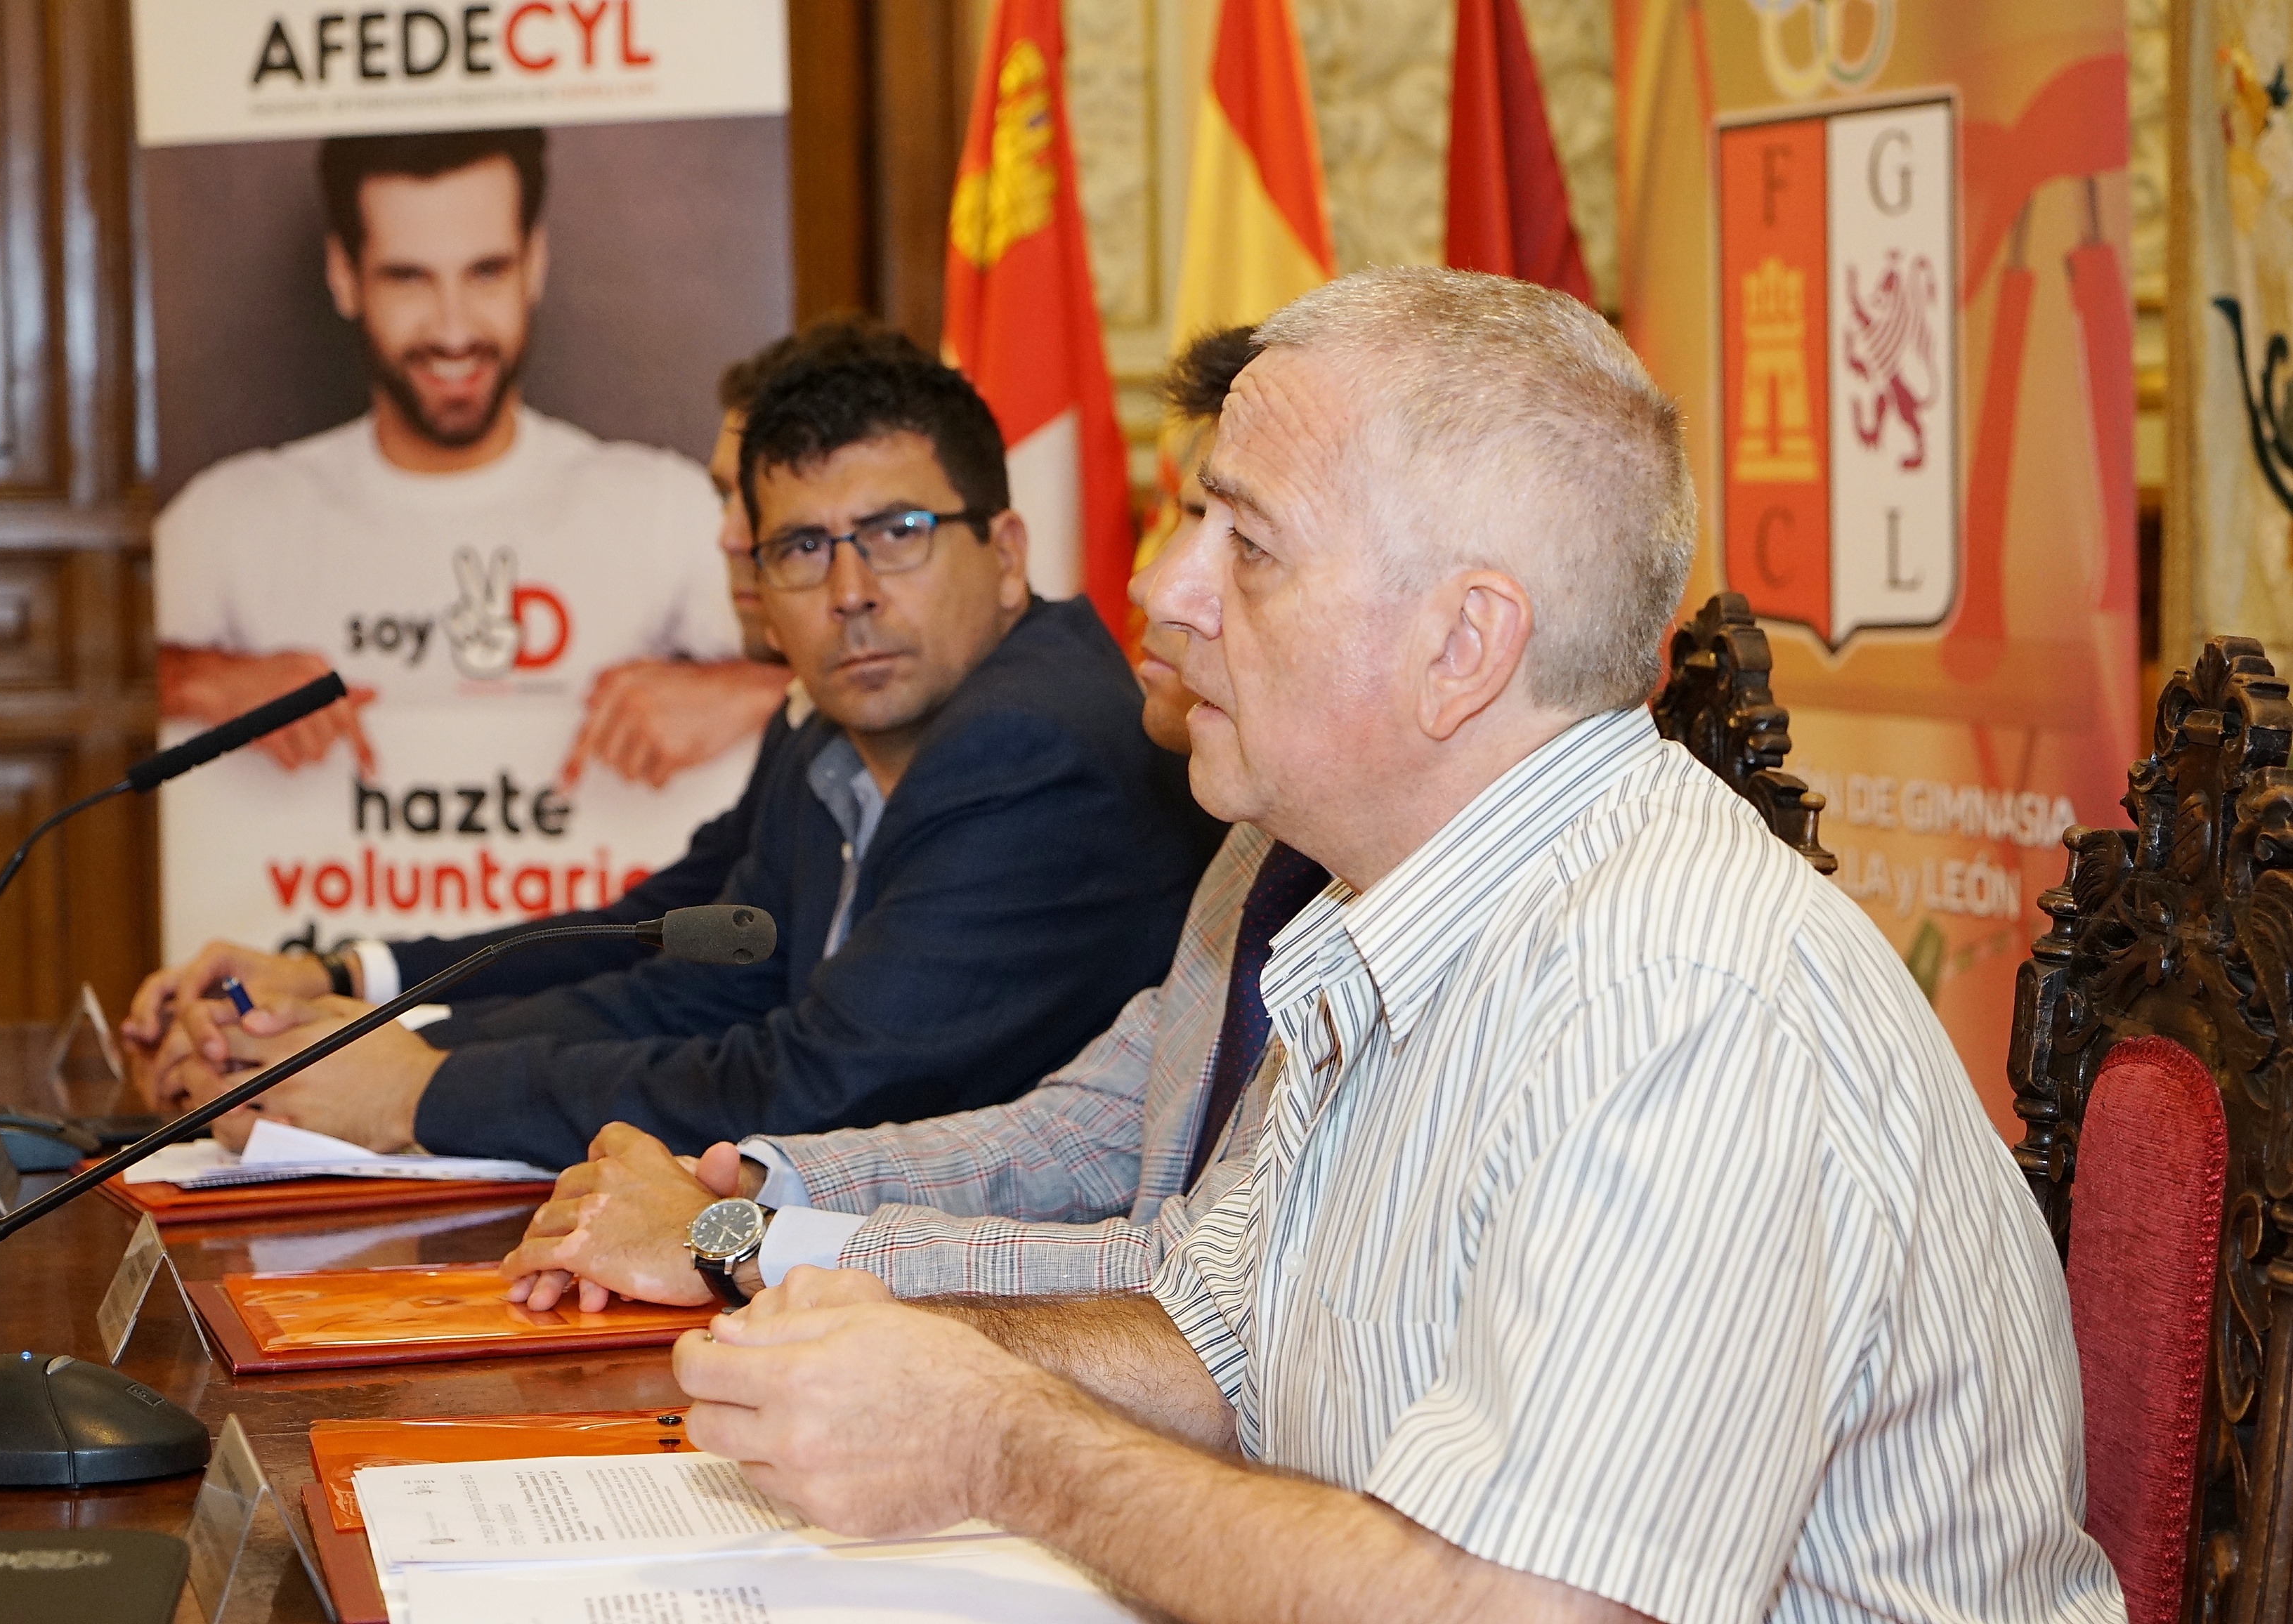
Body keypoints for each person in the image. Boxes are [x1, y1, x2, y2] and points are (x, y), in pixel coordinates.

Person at [666, 269, 2127, 1624]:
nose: (1166, 596)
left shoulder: (1672, 996)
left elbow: (1529, 1609)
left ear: (1461, 648)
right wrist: (883, 1340)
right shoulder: (1390, 916)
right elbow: (1216, 1346)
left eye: (1246, 546)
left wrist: (996, 1442)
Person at [174, 348, 1215, 1171]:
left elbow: (825, 1084)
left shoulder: (1031, 745)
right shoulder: (830, 737)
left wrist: (417, 1090)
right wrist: (364, 1050)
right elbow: (696, 992)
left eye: (896, 533)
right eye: (801, 548)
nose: (850, 591)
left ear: (1007, 555)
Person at [497, 328, 1289, 1307]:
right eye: (1187, 519)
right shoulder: (1257, 850)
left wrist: (738, 1240)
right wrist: (747, 1187)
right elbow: (1080, 1136)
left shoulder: (1039, 742)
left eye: (1244, 543)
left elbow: (1218, 1290)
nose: (1152, 585)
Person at [126, 319, 925, 1075]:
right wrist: (335, 983)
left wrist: (387, 1068)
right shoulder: (808, 726)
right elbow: (638, 939)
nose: (727, 536)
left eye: (755, 498)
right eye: (726, 496)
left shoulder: (956, 746)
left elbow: (786, 1052)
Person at [156, 126, 780, 785]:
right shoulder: (229, 517)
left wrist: (751, 692)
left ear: (534, 264)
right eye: (408, 278)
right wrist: (196, 679)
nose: (453, 330)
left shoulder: (661, 508)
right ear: (344, 277)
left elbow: (845, 672)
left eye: (487, 272)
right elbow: (91, 680)